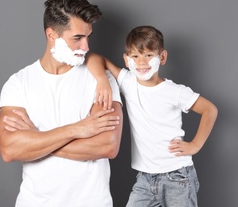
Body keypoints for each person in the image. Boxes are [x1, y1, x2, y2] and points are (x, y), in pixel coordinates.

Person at [0, 0, 123, 207]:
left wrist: (37, 138)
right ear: (51, 34)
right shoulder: (18, 83)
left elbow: (107, 145)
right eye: (77, 38)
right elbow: (10, 150)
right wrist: (77, 129)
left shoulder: (101, 79)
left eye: (88, 37)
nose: (86, 47)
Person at [87, 25, 218, 207]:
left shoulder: (174, 91)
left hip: (177, 176)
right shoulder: (128, 82)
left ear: (162, 57)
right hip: (145, 179)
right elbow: (94, 58)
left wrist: (195, 145)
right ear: (126, 60)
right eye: (135, 56)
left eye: (149, 55)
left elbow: (210, 110)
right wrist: (102, 80)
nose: (142, 62)